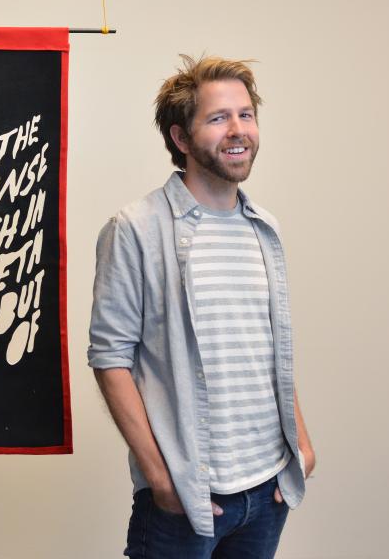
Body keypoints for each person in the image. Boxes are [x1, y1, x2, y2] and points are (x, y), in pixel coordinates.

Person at [88, 55, 315, 558]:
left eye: (246, 114)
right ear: (181, 138)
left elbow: (267, 344)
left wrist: (299, 443)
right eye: (218, 118)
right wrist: (159, 476)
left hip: (268, 488)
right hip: (187, 498)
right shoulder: (136, 228)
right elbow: (109, 358)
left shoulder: (264, 228)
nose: (238, 130)